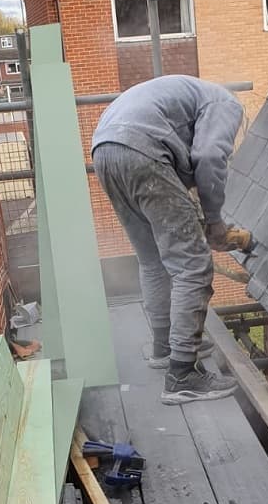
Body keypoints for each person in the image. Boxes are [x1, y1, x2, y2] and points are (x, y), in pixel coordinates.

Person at [92, 75, 252, 404]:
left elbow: (181, 173)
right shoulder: (228, 104)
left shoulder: (187, 97)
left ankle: (164, 348)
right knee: (192, 266)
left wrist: (195, 214)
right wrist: (214, 220)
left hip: (106, 151)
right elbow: (209, 157)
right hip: (141, 150)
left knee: (152, 260)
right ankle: (183, 375)